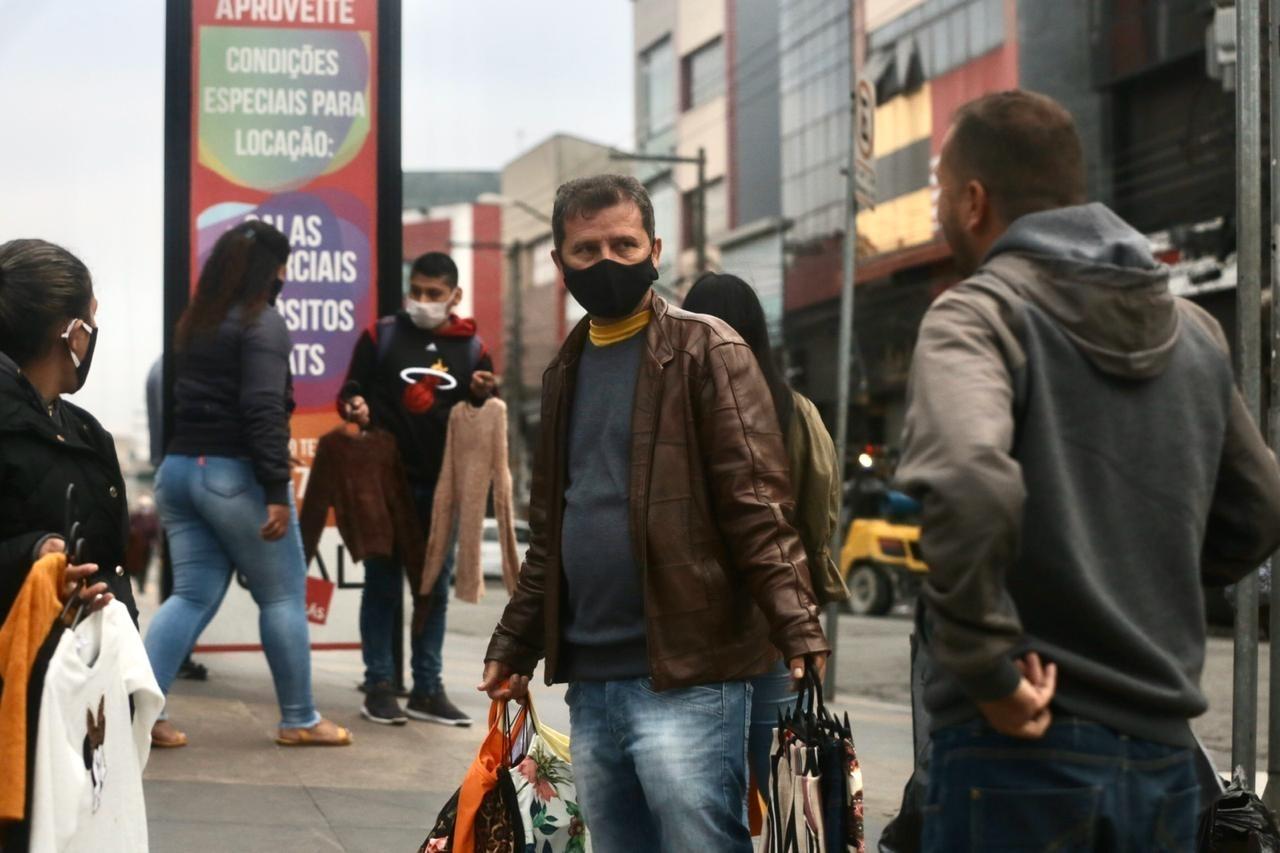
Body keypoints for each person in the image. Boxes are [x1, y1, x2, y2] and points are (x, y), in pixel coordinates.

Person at [894, 90, 1280, 850]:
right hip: (1167, 757)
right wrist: (1137, 578)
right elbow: (1261, 506)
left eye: (942, 194)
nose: (941, 214)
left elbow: (967, 478)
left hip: (1017, 748)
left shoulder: (976, 314)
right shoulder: (1193, 331)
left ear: (974, 200)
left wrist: (989, 668)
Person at [479, 175, 830, 853]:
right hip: (590, 675)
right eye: (586, 250)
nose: (606, 260)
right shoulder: (563, 371)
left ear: (656, 249)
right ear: (558, 264)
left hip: (689, 674)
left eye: (623, 243)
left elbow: (757, 502)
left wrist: (797, 624)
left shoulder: (709, 349)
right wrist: (515, 644)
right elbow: (551, 532)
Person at [143, 221, 350, 748]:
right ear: (269, 270)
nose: (285, 276)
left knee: (190, 595)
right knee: (283, 595)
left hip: (181, 471)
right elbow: (262, 409)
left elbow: (159, 385)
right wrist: (277, 493)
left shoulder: (194, 323)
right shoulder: (263, 323)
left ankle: (138, 714)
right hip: (233, 477)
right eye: (283, 266)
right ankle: (299, 720)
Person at [681, 271, 847, 805]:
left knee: (705, 793)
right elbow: (819, 518)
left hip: (688, 629)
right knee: (784, 789)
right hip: (774, 622)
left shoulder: (669, 415)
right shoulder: (794, 412)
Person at [338, 251, 496, 726]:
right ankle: (379, 685)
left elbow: (484, 417)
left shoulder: (473, 350)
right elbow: (349, 392)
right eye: (417, 291)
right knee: (383, 586)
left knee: (433, 592)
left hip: (444, 488)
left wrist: (482, 394)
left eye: (434, 294)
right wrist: (356, 406)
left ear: (455, 296)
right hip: (386, 483)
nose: (423, 301)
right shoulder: (380, 335)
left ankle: (427, 688)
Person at [0, 239, 134, 626]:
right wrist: (36, 554)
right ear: (74, 333)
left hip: (80, 667)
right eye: (92, 320)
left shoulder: (88, 432)